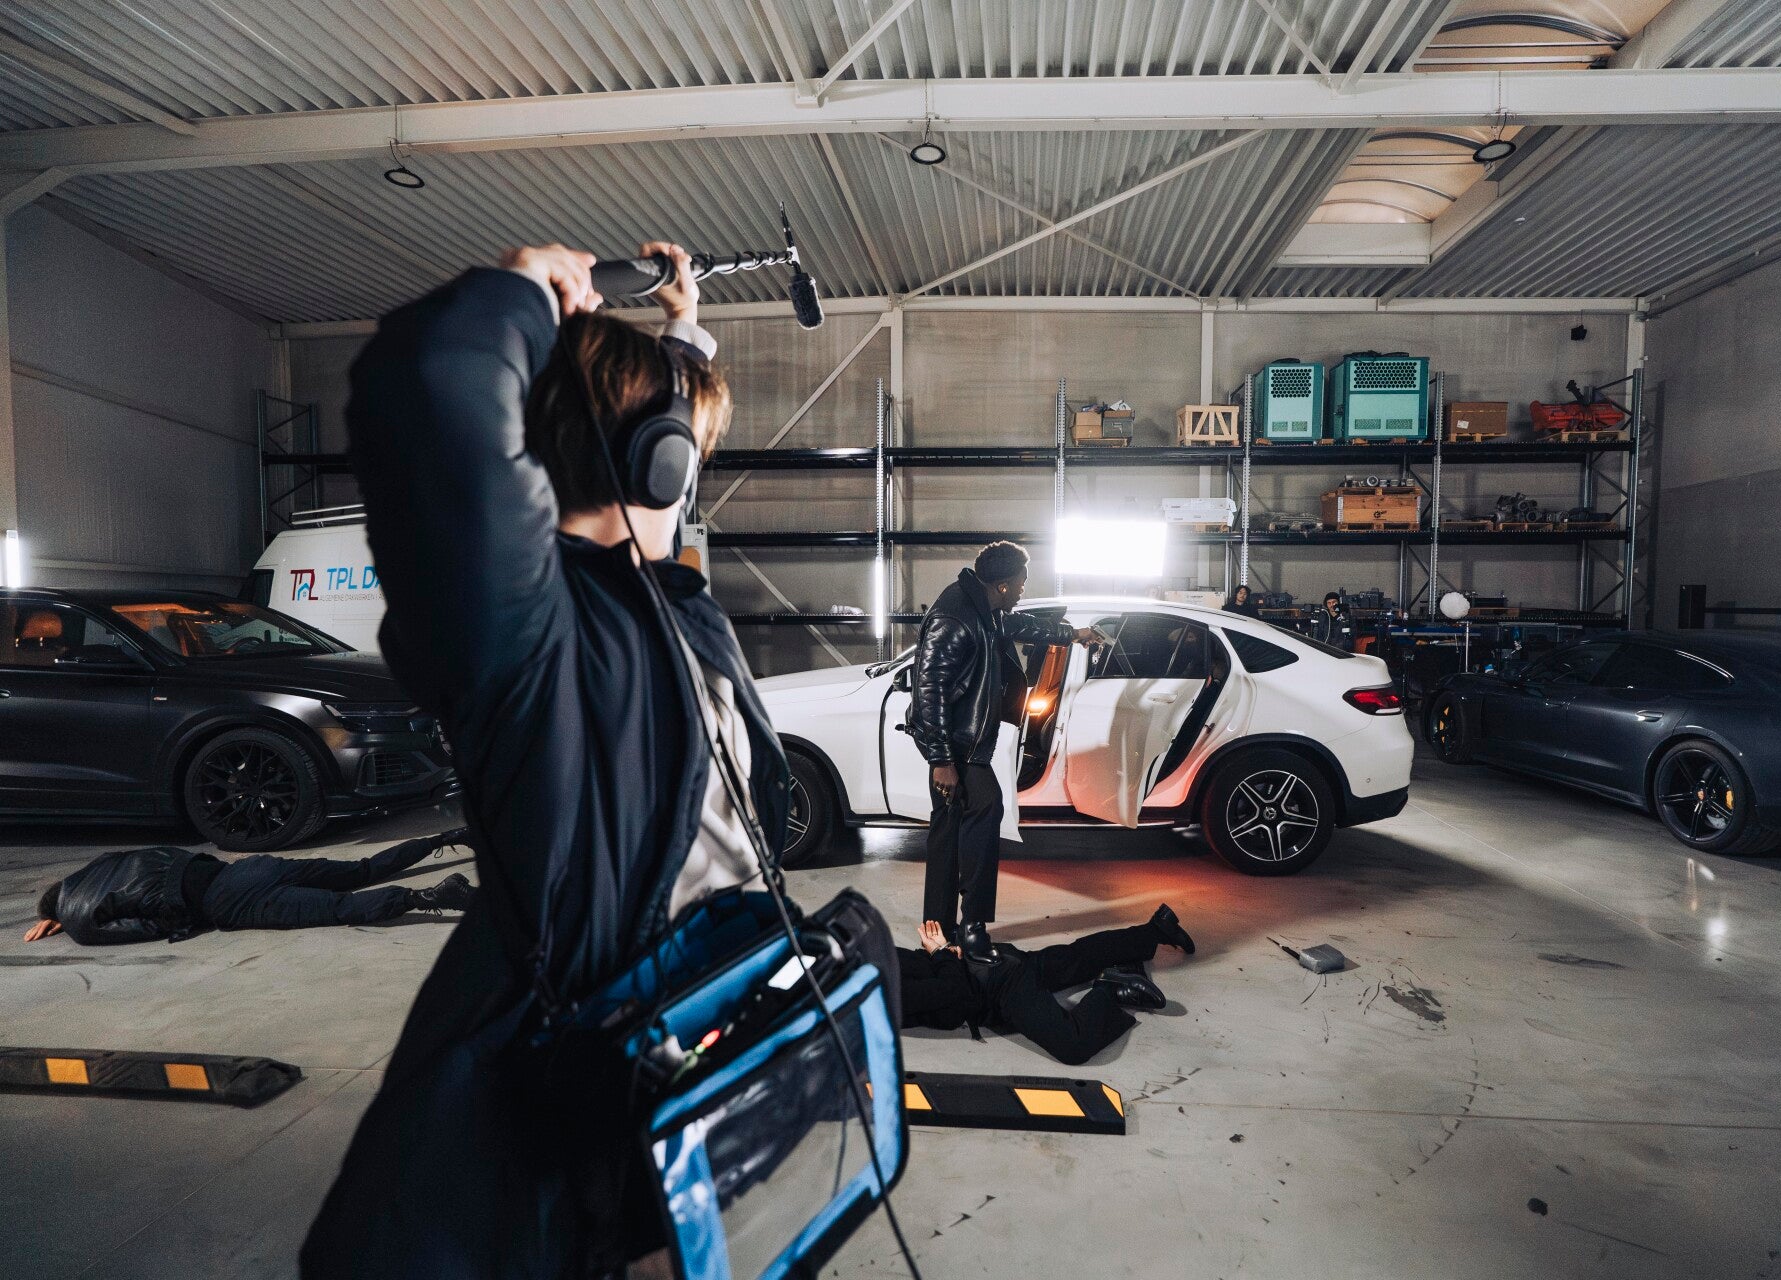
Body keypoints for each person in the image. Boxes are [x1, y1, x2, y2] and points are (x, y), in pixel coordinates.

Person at [301, 243, 789, 1280]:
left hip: (681, 1039)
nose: (687, 475)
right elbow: (428, 383)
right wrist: (523, 292)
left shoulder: (641, 593)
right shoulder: (523, 625)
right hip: (584, 1066)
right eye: (679, 453)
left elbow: (646, 482)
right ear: (650, 463)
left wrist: (681, 336)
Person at [910, 542, 1099, 962]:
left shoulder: (984, 608)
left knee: (948, 829)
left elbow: (1018, 625)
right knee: (986, 807)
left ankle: (939, 930)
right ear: (1001, 585)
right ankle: (973, 927)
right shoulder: (954, 617)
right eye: (1020, 584)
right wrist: (941, 761)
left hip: (959, 741)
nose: (1022, 590)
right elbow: (929, 688)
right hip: (955, 745)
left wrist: (1071, 634)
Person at [20, 831, 471, 945]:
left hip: (229, 902)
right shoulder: (103, 864)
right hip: (245, 870)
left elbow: (149, 928)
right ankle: (448, 837)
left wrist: (69, 922)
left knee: (338, 907)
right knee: (361, 869)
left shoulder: (78, 918)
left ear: (53, 917)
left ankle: (431, 897)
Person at [898, 905, 1196, 1065]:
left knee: (1073, 1045)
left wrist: (941, 953)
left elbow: (952, 991)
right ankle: (1155, 930)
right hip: (990, 960)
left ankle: (1110, 987)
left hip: (995, 985)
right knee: (1074, 959)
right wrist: (944, 954)